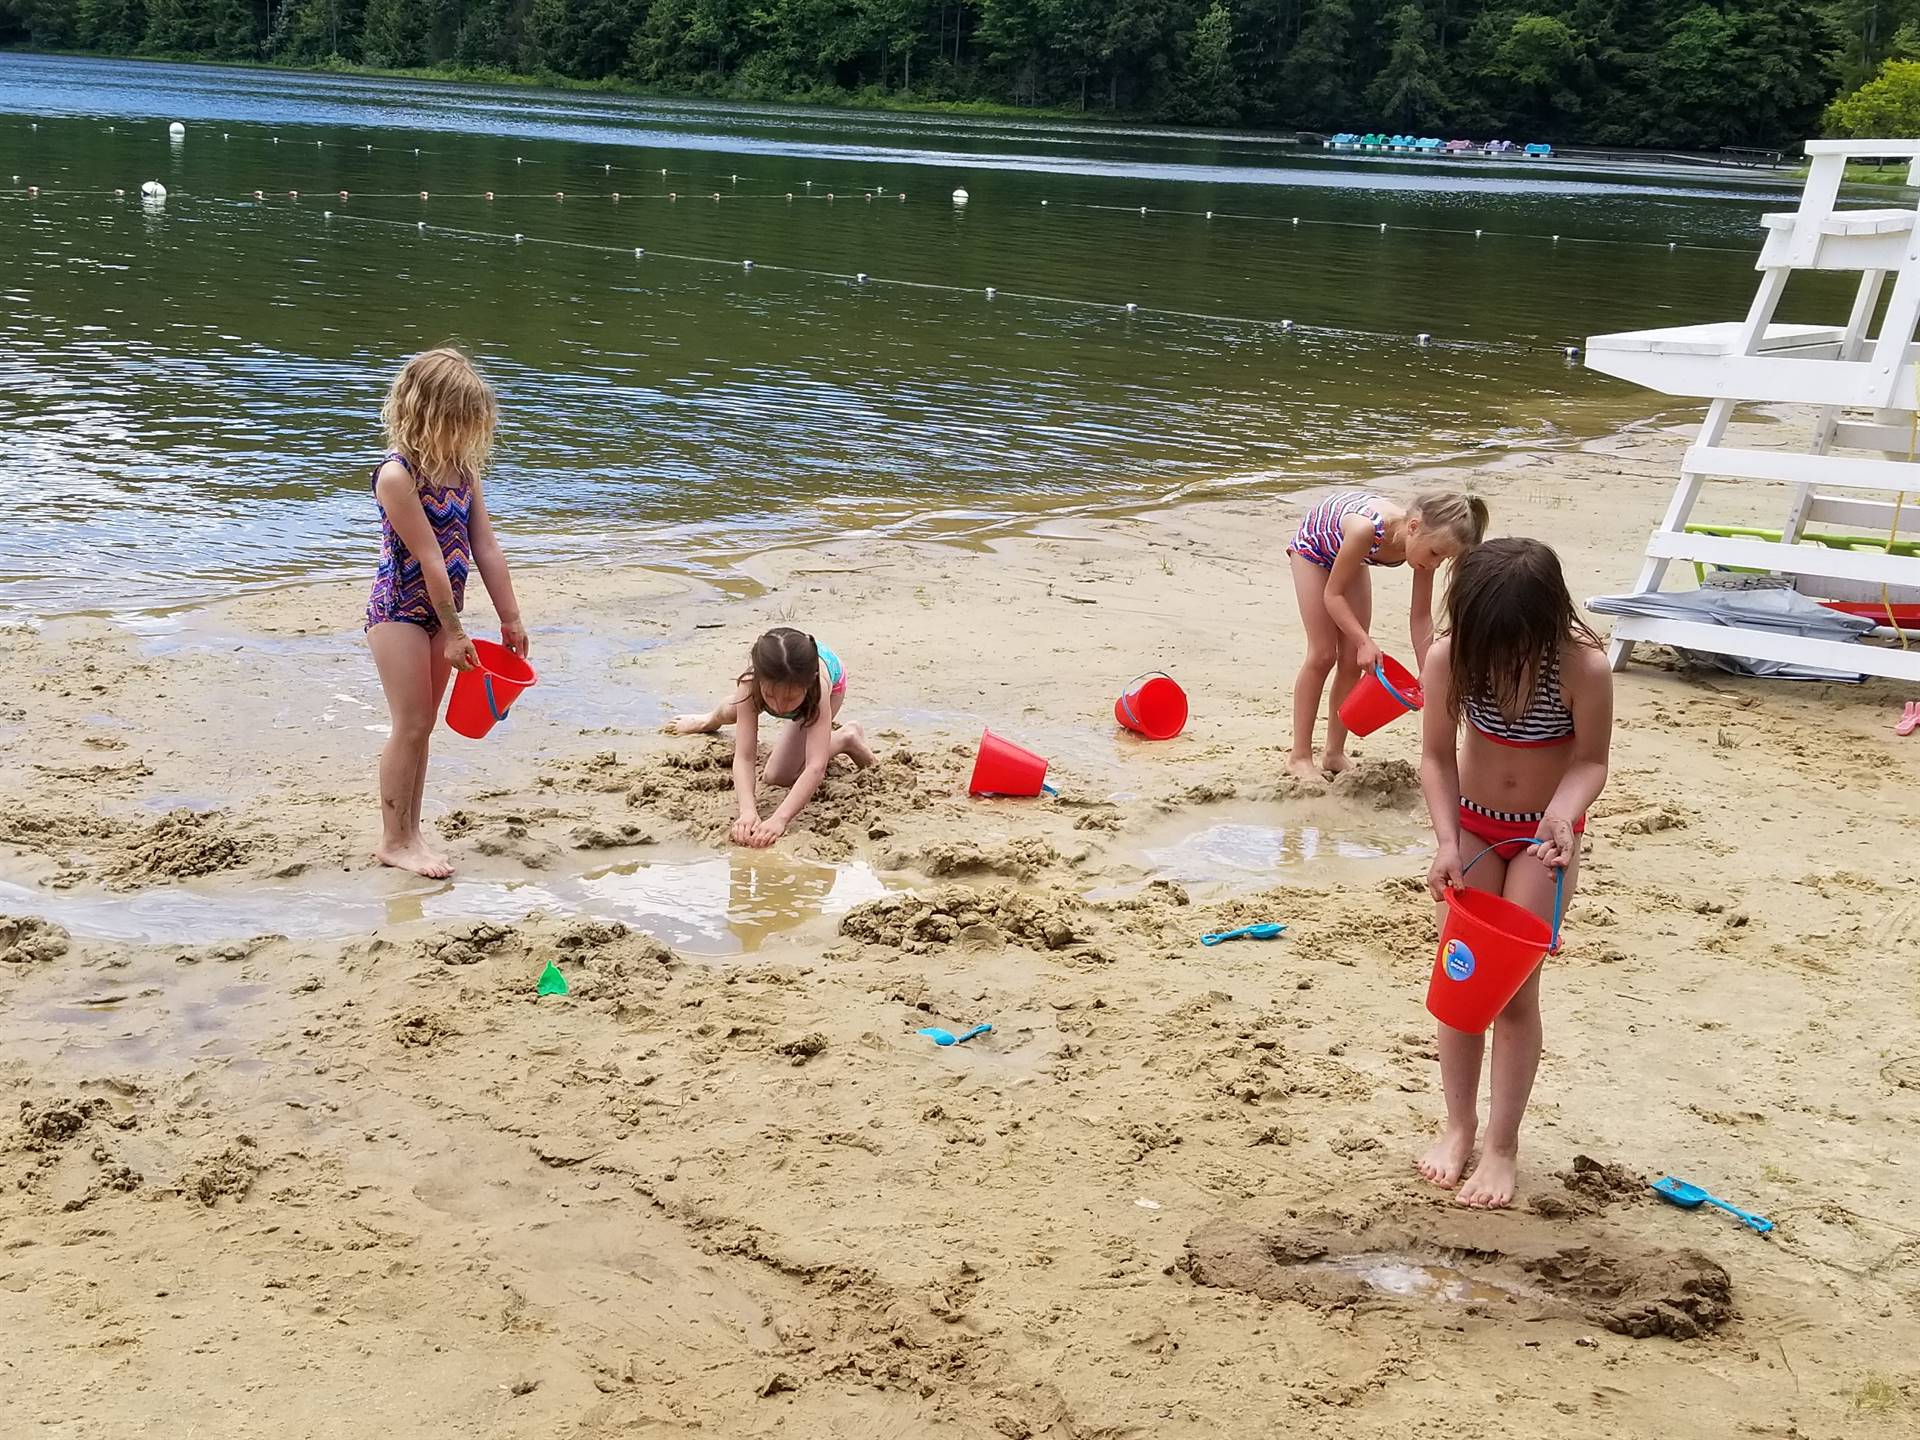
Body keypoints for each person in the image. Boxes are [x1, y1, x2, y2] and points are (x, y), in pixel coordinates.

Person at [1415, 537, 1613, 1209]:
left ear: (1545, 625)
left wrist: (1562, 813)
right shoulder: (1453, 657)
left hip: (1541, 840)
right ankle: (1459, 1125)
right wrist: (1445, 840)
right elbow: (1437, 758)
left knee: (1515, 995)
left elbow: (1590, 760)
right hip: (1470, 828)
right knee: (1464, 983)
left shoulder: (1584, 667)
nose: (1501, 659)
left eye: (1516, 646)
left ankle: (1502, 1146)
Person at [365, 347, 527, 879]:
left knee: (425, 726)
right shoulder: (397, 475)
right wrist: (456, 633)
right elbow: (432, 559)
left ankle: (411, 831)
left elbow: (486, 548)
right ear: (427, 413)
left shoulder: (463, 472)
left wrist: (510, 618)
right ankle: (395, 839)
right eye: (459, 421)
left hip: (442, 613)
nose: (468, 434)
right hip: (399, 611)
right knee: (409, 724)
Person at [1288, 490, 1489, 782]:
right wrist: (1364, 641)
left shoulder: (1425, 549)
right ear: (1413, 526)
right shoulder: (1364, 530)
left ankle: (1333, 753)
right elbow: (1333, 595)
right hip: (1315, 550)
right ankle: (1299, 756)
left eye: (1443, 560)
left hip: (1351, 557)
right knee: (1322, 655)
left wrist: (1429, 669)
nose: (1434, 564)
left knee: (1352, 662)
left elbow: (1420, 616)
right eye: (1434, 553)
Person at [668, 627, 875, 847]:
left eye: (789, 698)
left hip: (826, 683)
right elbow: (745, 756)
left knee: (780, 775)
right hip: (779, 673)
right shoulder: (750, 684)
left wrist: (779, 819)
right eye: (770, 696)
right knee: (733, 709)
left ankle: (846, 737)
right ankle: (709, 719)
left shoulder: (818, 688)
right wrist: (747, 811)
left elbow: (816, 767)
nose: (778, 706)